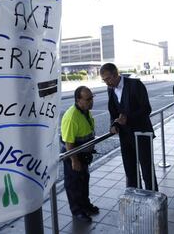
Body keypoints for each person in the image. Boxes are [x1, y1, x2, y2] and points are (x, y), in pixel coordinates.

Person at [100, 63, 158, 191]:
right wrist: (114, 124)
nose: (106, 83)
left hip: (142, 133)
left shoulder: (135, 85)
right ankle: (135, 199)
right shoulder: (110, 89)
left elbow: (146, 109)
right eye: (104, 80)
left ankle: (153, 200)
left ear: (116, 74)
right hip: (125, 135)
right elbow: (114, 111)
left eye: (108, 79)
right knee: (130, 170)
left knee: (147, 169)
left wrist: (128, 118)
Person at [61, 86, 99, 223]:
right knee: (73, 184)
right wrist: (74, 160)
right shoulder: (72, 117)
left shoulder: (85, 111)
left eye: (92, 98)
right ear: (78, 100)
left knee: (84, 181)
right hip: (74, 156)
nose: (91, 102)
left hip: (83, 155)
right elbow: (68, 142)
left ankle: (85, 205)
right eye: (88, 99)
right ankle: (77, 211)